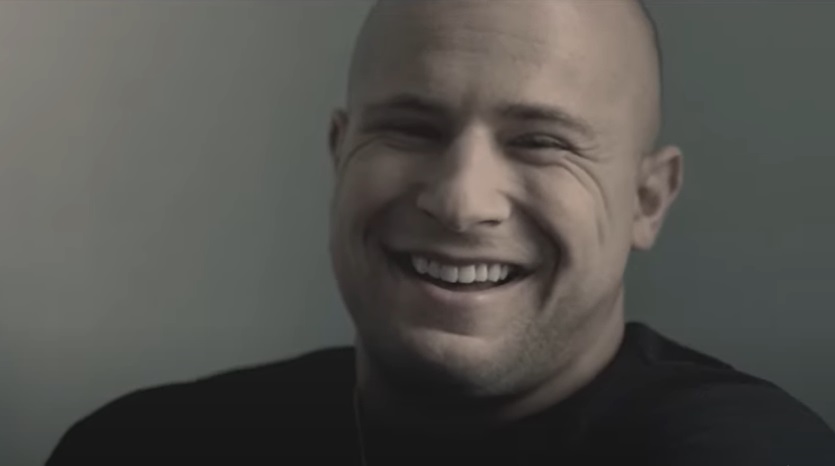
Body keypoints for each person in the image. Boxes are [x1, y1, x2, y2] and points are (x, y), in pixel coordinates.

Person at [46, 1, 835, 465]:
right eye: (411, 128)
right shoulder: (138, 447)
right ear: (339, 155)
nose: (460, 201)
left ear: (646, 201)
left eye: (540, 141)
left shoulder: (744, 452)